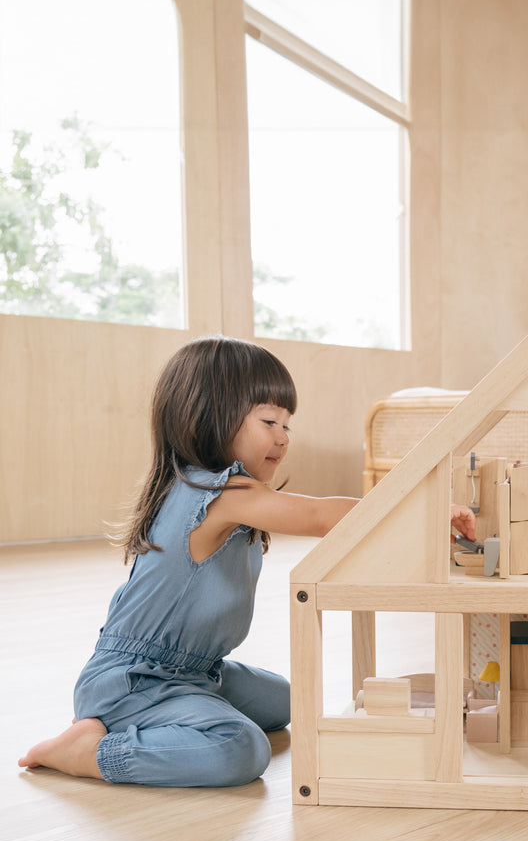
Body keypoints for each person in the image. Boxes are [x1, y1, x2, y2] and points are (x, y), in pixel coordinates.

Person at [19, 336, 476, 787]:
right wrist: (423, 511)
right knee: (242, 747)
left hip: (197, 669)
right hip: (135, 681)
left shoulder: (224, 492)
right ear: (210, 417)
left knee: (287, 703)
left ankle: (174, 718)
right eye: (269, 421)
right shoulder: (218, 494)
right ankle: (92, 752)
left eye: (287, 425)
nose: (282, 437)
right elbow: (319, 515)